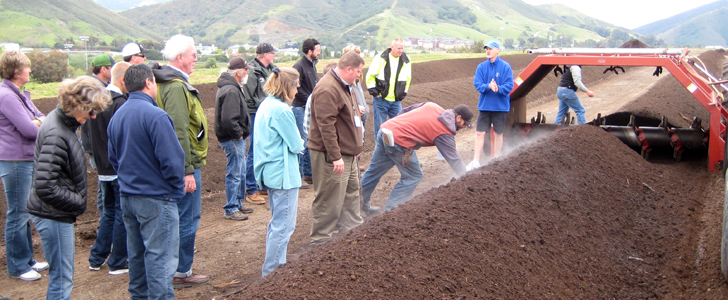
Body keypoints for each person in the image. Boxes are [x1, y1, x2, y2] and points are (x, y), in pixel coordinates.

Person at [28, 76, 110, 300]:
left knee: (62, 276)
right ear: (78, 105)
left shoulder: (65, 124)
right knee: (62, 279)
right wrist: (77, 202)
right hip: (53, 214)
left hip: (55, 212)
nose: (93, 116)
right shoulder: (57, 133)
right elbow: (45, 186)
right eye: (91, 111)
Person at [108, 64, 186, 299]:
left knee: (138, 257)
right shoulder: (156, 116)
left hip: (128, 197)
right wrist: (175, 187)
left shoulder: (117, 116)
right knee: (160, 260)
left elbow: (113, 158)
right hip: (156, 198)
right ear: (149, 82)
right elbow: (173, 161)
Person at [151, 34, 210, 288]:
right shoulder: (175, 87)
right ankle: (180, 272)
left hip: (183, 164)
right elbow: (178, 131)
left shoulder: (170, 83)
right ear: (179, 57)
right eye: (192, 54)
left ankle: (174, 268)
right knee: (187, 218)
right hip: (187, 166)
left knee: (180, 217)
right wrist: (186, 170)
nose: (196, 58)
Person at [360, 102, 472, 212]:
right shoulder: (444, 131)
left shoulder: (432, 106)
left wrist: (399, 128)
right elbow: (454, 159)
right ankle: (391, 212)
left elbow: (404, 111)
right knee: (413, 176)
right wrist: (468, 178)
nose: (464, 127)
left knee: (374, 171)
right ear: (458, 118)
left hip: (386, 130)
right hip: (398, 141)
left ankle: (358, 207)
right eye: (464, 124)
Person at [0, 50, 48, 281]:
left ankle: (26, 259)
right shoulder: (7, 96)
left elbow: (41, 117)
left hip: (23, 159)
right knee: (18, 214)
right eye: (27, 67)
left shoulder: (18, 94)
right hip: (16, 161)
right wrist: (36, 122)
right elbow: (30, 130)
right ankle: (18, 266)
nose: (30, 70)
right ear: (17, 72)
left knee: (24, 212)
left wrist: (37, 120)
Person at [308, 52, 365, 246]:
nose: (359, 75)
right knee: (329, 197)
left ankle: (354, 232)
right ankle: (320, 240)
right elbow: (326, 126)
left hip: (347, 152)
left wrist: (355, 145)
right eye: (358, 71)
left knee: (352, 193)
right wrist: (335, 156)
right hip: (331, 155)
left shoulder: (345, 85)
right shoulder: (327, 88)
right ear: (348, 69)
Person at [254, 67, 305, 276]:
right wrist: (304, 141)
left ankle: (277, 267)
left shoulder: (266, 104)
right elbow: (296, 144)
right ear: (287, 86)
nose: (298, 89)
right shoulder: (282, 110)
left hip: (271, 172)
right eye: (296, 85)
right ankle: (272, 274)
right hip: (283, 174)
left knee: (277, 223)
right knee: (284, 226)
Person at [87, 62, 130, 275]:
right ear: (123, 80)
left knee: (109, 213)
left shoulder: (98, 101)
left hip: (103, 167)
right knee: (121, 214)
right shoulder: (120, 103)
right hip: (117, 167)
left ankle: (96, 257)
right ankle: (118, 261)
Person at [215, 57, 254, 221]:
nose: (247, 73)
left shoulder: (231, 87)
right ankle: (231, 208)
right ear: (239, 72)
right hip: (232, 139)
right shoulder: (231, 90)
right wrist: (238, 133)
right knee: (235, 173)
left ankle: (237, 202)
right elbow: (228, 119)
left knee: (240, 171)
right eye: (245, 70)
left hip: (235, 138)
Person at [467, 40, 514, 171]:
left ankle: (496, 160)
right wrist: (488, 86)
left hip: (500, 107)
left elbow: (509, 85)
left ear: (497, 50)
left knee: (499, 133)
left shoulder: (505, 67)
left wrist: (498, 88)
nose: (488, 51)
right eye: (486, 49)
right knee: (479, 133)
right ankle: (475, 161)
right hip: (485, 106)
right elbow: (477, 84)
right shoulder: (481, 67)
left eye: (491, 48)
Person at [243, 42, 278, 205]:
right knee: (254, 150)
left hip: (265, 112)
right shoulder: (253, 72)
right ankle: (251, 189)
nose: (274, 56)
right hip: (255, 113)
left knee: (264, 148)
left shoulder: (269, 70)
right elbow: (248, 95)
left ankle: (260, 184)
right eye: (272, 53)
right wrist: (259, 108)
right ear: (265, 54)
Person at [85, 54, 115, 219]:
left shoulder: (97, 86)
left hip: (95, 145)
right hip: (97, 146)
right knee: (104, 186)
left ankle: (105, 220)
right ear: (104, 69)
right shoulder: (95, 89)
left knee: (103, 185)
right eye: (111, 68)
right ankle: (106, 221)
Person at [365, 38, 412, 139]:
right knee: (380, 127)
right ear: (392, 47)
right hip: (381, 98)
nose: (400, 50)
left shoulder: (406, 60)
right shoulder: (381, 58)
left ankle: (396, 148)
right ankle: (381, 151)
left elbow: (408, 78)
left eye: (402, 48)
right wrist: (375, 93)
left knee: (399, 126)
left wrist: (403, 93)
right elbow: (370, 76)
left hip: (396, 100)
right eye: (398, 48)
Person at [292, 38, 320, 188]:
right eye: (317, 50)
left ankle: (309, 174)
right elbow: (297, 88)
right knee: (303, 141)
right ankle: (300, 176)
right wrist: (310, 99)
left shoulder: (312, 65)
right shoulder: (299, 66)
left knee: (310, 140)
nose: (319, 53)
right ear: (309, 51)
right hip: (300, 108)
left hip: (309, 107)